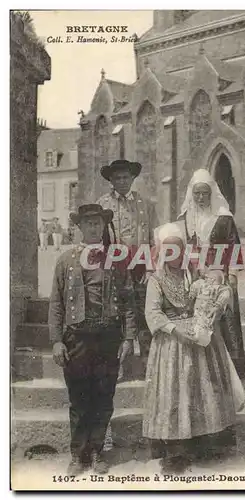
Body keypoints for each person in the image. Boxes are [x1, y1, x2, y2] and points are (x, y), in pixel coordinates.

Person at [143, 222, 245, 474]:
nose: (173, 256)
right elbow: (152, 314)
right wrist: (178, 331)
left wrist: (216, 307)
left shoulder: (194, 274)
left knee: (200, 392)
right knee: (175, 394)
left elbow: (213, 292)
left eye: (177, 250)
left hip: (200, 342)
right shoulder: (156, 280)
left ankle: (204, 444)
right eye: (167, 251)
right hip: (172, 344)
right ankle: (175, 453)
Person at [48, 204, 136, 475]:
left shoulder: (116, 259)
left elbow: (128, 300)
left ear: (103, 226)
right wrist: (56, 340)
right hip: (76, 338)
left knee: (104, 395)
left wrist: (129, 337)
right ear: (80, 227)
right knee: (79, 397)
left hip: (108, 336)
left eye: (98, 223)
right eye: (88, 223)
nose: (94, 227)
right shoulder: (66, 260)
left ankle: (97, 451)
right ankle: (78, 454)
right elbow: (56, 304)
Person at [178, 169, 245, 380]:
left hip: (220, 276)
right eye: (197, 193)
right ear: (192, 193)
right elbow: (180, 247)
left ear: (211, 194)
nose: (200, 197)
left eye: (204, 193)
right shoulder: (186, 218)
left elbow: (234, 247)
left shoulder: (224, 218)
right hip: (196, 277)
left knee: (224, 319)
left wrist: (232, 276)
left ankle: (233, 367)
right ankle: (204, 370)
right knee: (200, 321)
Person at [97, 159, 158, 381]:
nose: (122, 182)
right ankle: (119, 365)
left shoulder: (145, 204)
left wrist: (151, 268)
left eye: (126, 177)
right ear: (111, 181)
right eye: (117, 178)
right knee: (117, 314)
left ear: (133, 179)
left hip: (140, 266)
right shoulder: (103, 204)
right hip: (115, 267)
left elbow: (154, 239)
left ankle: (148, 363)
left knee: (143, 314)